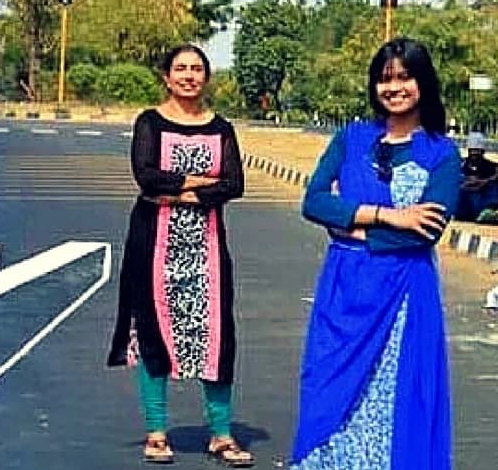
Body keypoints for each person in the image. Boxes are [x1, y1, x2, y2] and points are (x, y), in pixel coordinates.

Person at [292, 38, 460, 469]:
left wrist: (350, 227)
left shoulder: (441, 153)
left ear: (424, 82)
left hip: (404, 296)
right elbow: (313, 201)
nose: (394, 88)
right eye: (385, 79)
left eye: (405, 77)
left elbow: (425, 231)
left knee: (398, 399)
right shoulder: (352, 138)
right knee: (327, 391)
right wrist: (386, 216)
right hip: (344, 292)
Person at [106, 43, 253, 467]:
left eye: (197, 69)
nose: (189, 76)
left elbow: (234, 183)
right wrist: (200, 182)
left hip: (205, 247)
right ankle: (156, 432)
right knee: (152, 329)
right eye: (180, 69)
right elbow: (146, 176)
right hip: (153, 243)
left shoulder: (221, 128)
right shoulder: (150, 122)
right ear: (167, 77)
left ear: (206, 77)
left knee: (217, 334)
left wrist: (182, 190)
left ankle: (221, 434)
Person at [457, 131, 498, 222]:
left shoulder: (491, 166)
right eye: (472, 151)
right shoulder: (460, 164)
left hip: (484, 200)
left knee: (493, 186)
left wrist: (485, 181)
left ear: (482, 151)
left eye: (477, 151)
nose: (474, 154)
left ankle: (489, 212)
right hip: (466, 202)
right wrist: (466, 183)